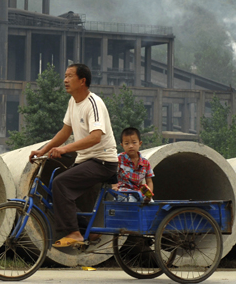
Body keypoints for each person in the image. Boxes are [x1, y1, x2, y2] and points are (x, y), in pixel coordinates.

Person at [29, 63, 118, 248]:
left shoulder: (94, 103)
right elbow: (64, 132)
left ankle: (75, 233)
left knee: (61, 183)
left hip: (103, 161)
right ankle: (89, 231)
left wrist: (65, 149)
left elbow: (95, 137)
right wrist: (42, 150)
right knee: (55, 189)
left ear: (82, 81)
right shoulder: (73, 102)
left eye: (69, 76)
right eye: (65, 76)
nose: (65, 80)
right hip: (86, 160)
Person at [114, 127, 154, 202]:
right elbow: (112, 174)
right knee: (132, 201)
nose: (131, 146)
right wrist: (114, 186)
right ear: (122, 145)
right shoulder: (118, 159)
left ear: (140, 143)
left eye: (134, 142)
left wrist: (149, 195)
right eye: (127, 143)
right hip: (123, 192)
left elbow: (149, 181)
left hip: (139, 191)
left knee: (151, 204)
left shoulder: (145, 162)